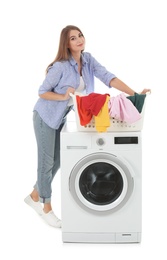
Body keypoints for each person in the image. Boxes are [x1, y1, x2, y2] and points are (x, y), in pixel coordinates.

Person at [24, 25, 150, 228]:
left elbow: (109, 77)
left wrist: (134, 94)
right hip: (45, 117)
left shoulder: (88, 59)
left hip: (60, 117)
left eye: (80, 35)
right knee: (46, 164)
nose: (79, 40)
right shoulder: (60, 67)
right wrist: (63, 96)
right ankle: (46, 207)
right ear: (66, 43)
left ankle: (34, 195)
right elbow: (42, 91)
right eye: (73, 38)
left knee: (57, 161)